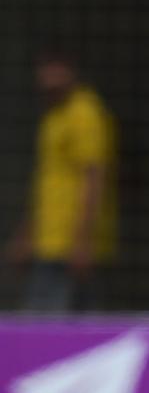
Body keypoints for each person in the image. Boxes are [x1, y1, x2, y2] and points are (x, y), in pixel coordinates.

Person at [5, 51, 117, 313]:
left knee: (55, 322)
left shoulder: (84, 113)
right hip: (49, 241)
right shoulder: (54, 115)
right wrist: (27, 234)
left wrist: (83, 241)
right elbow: (47, 185)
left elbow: (94, 177)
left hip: (72, 243)